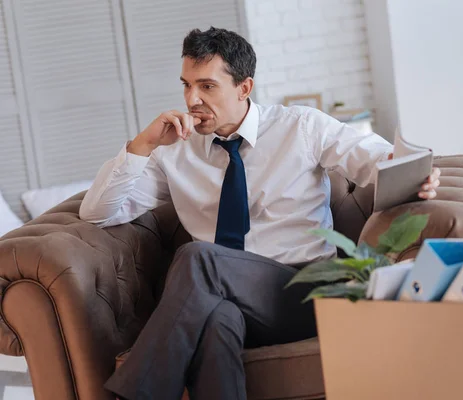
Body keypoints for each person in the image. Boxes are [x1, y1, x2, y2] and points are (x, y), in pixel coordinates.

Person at [80, 27, 441, 400]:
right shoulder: (174, 151)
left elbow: (378, 160)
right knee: (217, 320)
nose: (192, 99)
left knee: (198, 257)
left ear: (244, 87)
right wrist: (144, 144)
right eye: (186, 85)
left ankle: (138, 393)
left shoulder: (301, 127)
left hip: (303, 294)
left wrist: (416, 175)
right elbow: (97, 213)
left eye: (207, 86)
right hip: (223, 297)